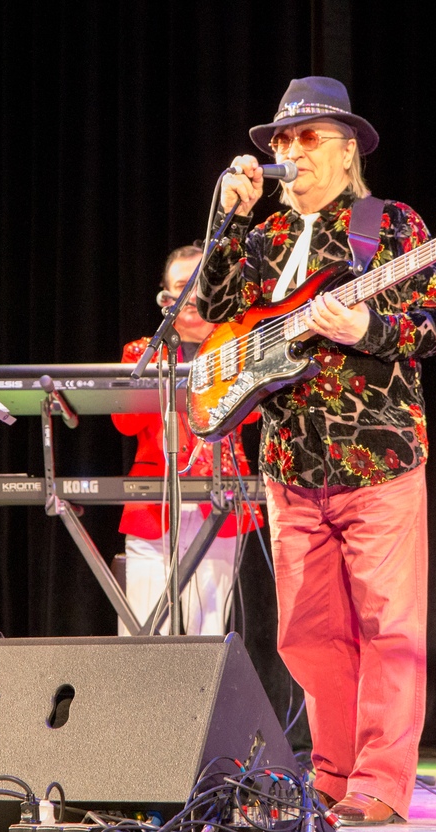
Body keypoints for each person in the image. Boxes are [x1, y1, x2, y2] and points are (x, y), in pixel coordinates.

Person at [198, 77, 436, 825]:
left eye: (307, 137)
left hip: (377, 461)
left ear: (348, 152)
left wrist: (366, 330)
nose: (291, 150)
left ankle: (380, 782)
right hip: (290, 464)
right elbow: (211, 308)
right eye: (282, 139)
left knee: (389, 627)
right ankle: (332, 772)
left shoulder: (393, 224)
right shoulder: (264, 238)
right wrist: (228, 219)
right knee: (308, 634)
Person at [112, 245, 259, 636]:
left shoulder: (239, 348)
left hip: (219, 504)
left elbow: (254, 414)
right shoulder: (141, 351)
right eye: (182, 286)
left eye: (201, 284)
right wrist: (157, 372)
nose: (192, 295)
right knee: (143, 633)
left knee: (207, 633)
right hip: (154, 505)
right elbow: (124, 423)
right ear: (165, 296)